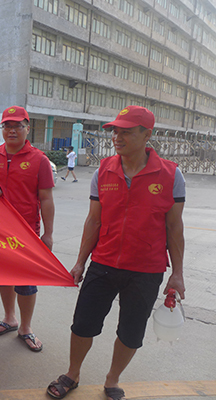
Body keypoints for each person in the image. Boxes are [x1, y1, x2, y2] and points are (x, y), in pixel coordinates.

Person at [47, 106, 185, 400]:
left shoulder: (171, 175)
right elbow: (94, 220)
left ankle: (112, 379)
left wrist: (178, 273)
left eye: (126, 132)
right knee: (82, 324)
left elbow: (174, 228)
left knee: (131, 332)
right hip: (104, 263)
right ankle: (72, 373)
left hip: (146, 269)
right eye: (114, 131)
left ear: (147, 135)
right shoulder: (104, 171)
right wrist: (80, 262)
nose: (116, 137)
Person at [0, 106, 55, 352]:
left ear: (27, 129)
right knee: (4, 276)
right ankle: (9, 318)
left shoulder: (39, 160)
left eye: (17, 126)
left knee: (26, 282)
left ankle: (25, 328)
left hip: (26, 232)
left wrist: (48, 234)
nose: (12, 131)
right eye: (7, 126)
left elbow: (46, 199)